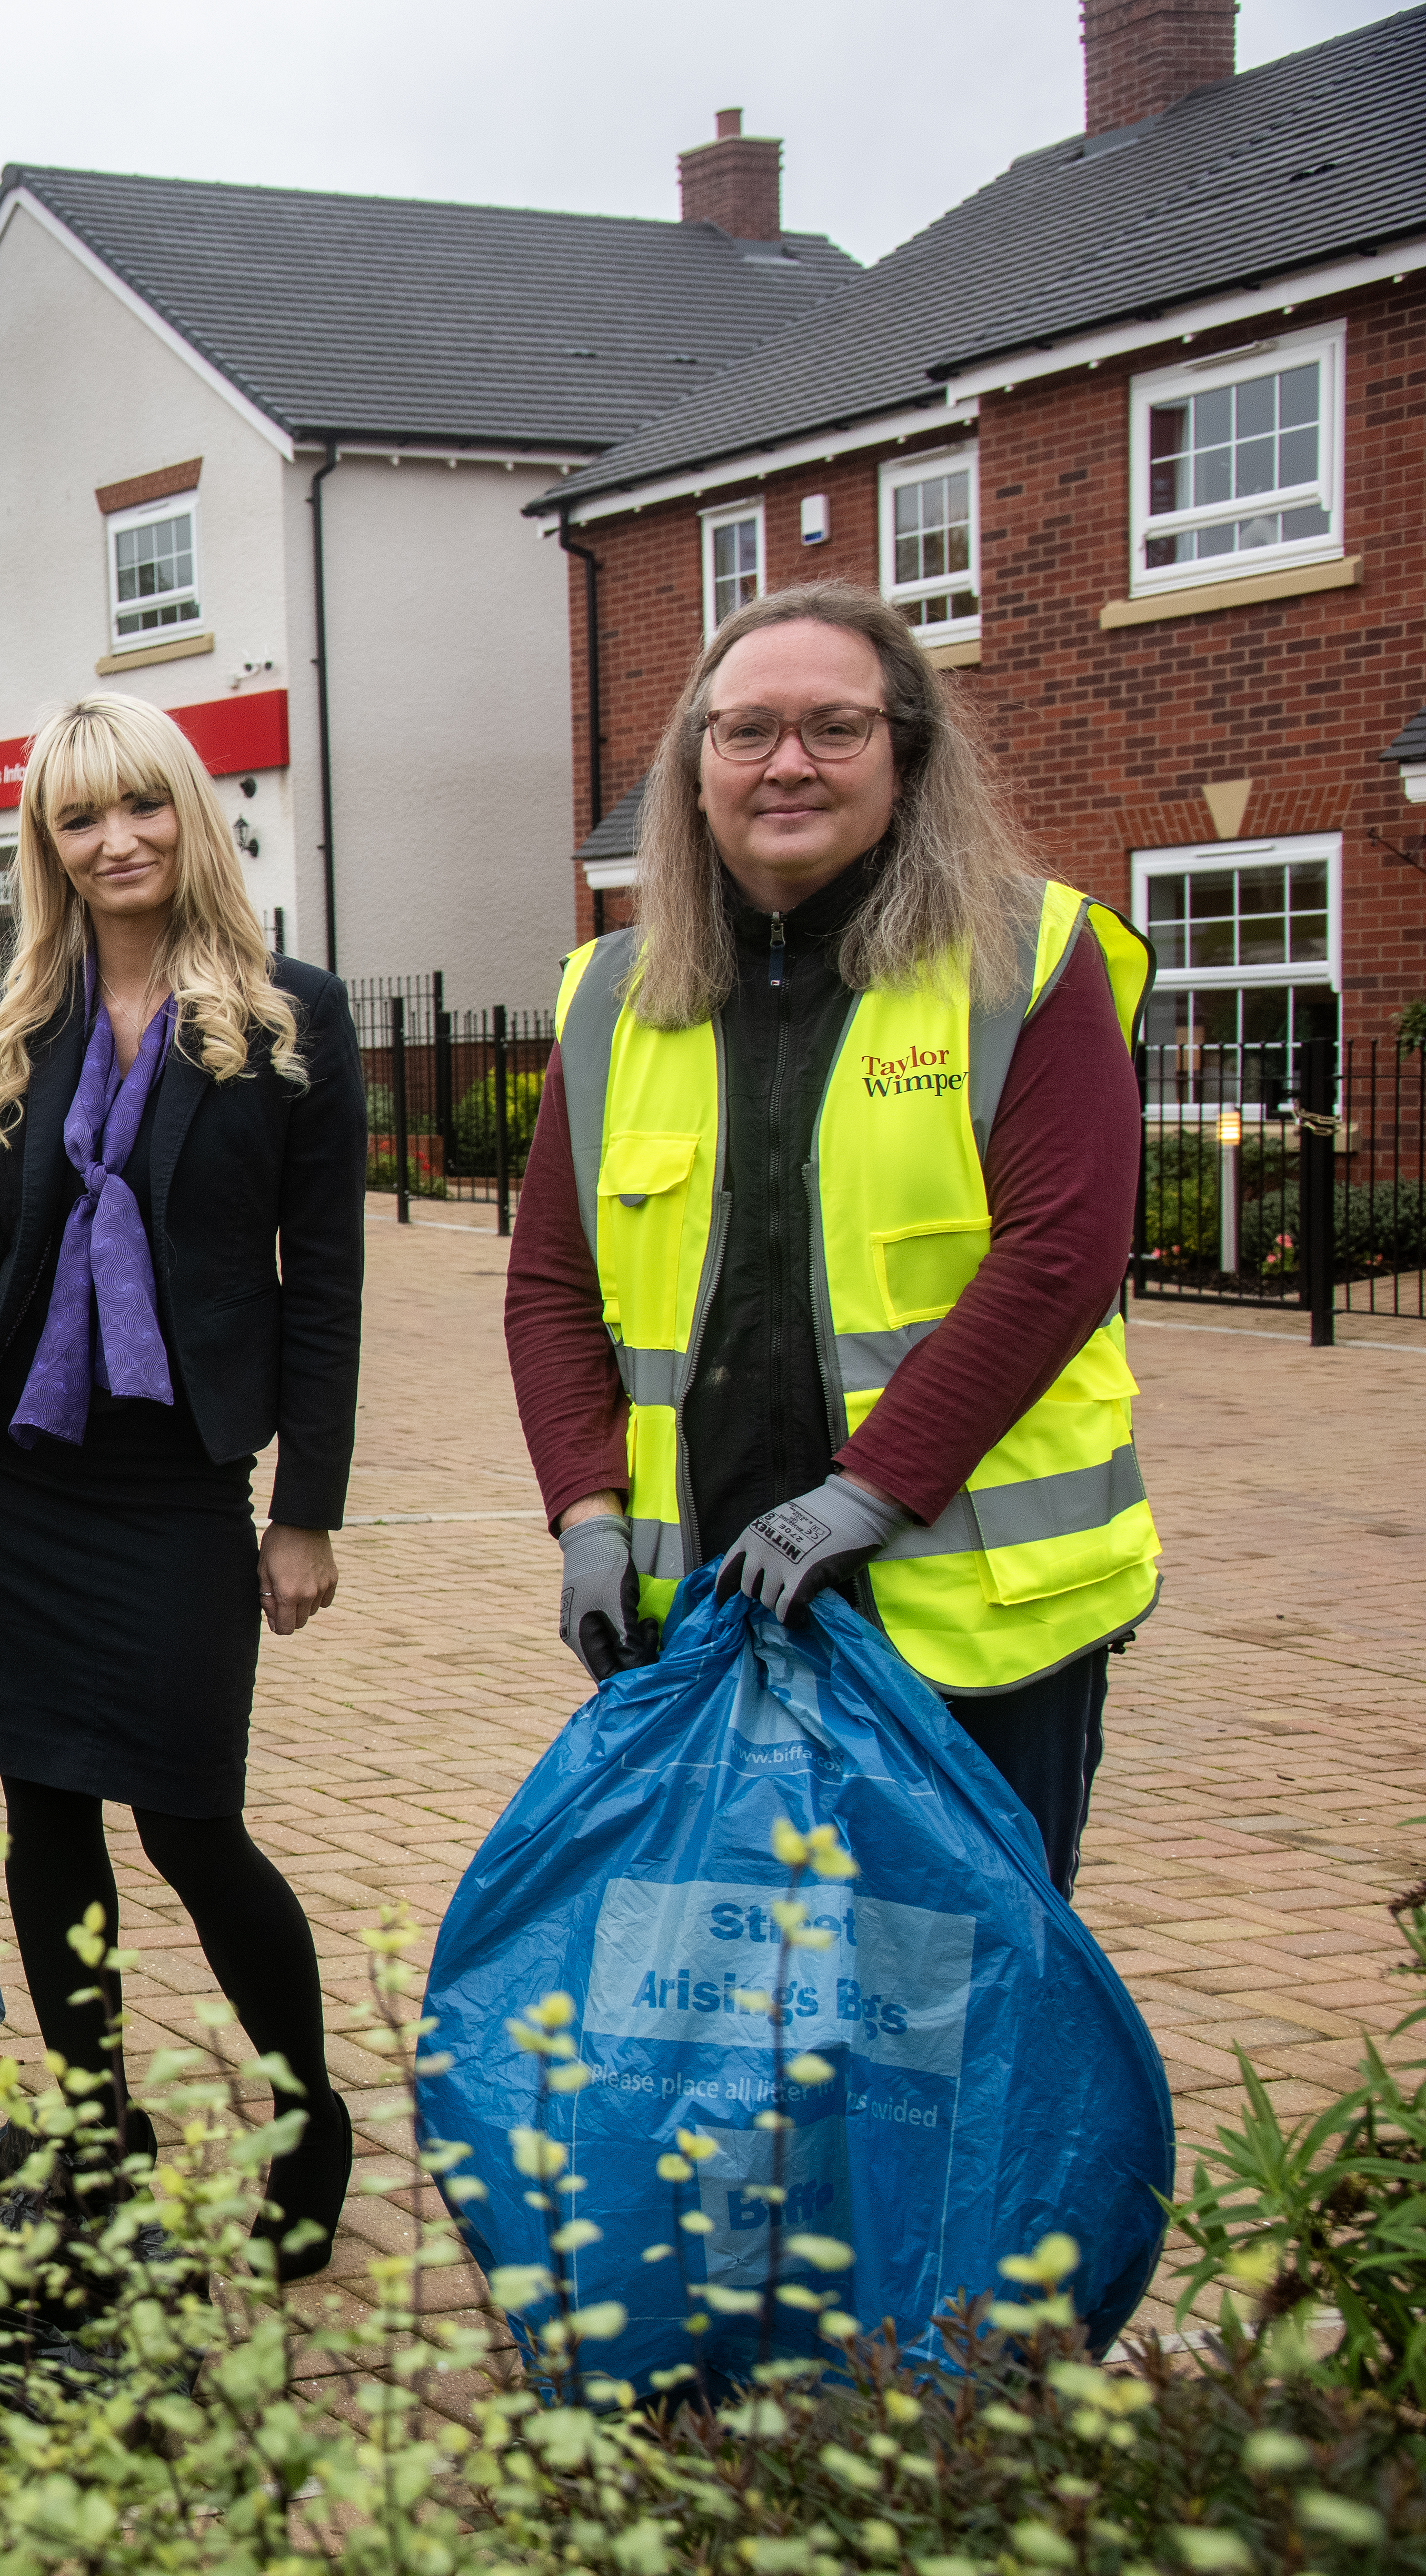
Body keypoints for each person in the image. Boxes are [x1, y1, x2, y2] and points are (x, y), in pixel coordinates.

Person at [0, 692, 365, 2278]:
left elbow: (328, 1283)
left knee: (191, 1822)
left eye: (142, 807)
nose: (118, 842)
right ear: (48, 842)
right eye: (81, 818)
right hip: (19, 1481)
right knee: (44, 1828)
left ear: (191, 814)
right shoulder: (13, 1023)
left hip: (177, 1484)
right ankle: (99, 2133)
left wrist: (307, 1503)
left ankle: (307, 2119)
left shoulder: (287, 1013)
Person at [505, 582, 1156, 1895]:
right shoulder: (610, 997)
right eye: (745, 732)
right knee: (734, 2013)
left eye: (834, 728)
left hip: (970, 1625)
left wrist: (863, 1497)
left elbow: (1059, 1256)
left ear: (907, 757)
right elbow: (551, 1287)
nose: (786, 762)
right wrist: (584, 1511)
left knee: (953, 2017)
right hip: (706, 1612)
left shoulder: (1025, 957)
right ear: (694, 773)